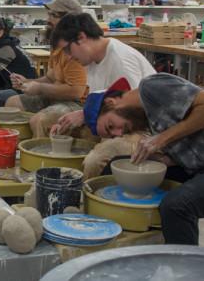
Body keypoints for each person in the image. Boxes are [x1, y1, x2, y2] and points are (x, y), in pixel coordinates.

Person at [84, 73, 204, 245]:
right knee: (114, 167)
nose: (119, 133)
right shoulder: (144, 119)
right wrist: (165, 158)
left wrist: (162, 139)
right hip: (202, 167)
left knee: (175, 206)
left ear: (111, 103)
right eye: (112, 135)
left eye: (111, 125)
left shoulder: (151, 88)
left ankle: (184, 268)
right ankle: (113, 241)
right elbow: (192, 142)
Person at [49, 12, 156, 174]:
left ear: (81, 37)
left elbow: (132, 113)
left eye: (67, 50)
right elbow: (105, 103)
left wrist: (85, 115)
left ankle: (85, 195)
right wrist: (80, 114)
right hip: (114, 121)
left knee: (95, 160)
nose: (68, 58)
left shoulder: (121, 59)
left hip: (144, 129)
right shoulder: (92, 61)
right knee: (62, 130)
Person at [0, 0, 87, 130]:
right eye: (48, 14)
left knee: (39, 120)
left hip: (76, 103)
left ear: (69, 19)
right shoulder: (57, 43)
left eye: (53, 15)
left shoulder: (75, 48)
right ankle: (11, 144)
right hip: (55, 96)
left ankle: (36, 149)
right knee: (12, 102)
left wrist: (40, 88)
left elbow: (76, 92)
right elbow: (49, 78)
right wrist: (27, 81)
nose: (48, 19)